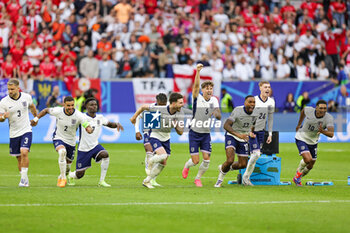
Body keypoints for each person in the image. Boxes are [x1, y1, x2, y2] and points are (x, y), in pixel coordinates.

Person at [31, 96, 93, 188]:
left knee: (68, 167)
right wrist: (36, 119)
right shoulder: (58, 111)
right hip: (59, 137)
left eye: (72, 105)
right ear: (64, 105)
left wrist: (89, 129)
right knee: (62, 152)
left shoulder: (79, 115)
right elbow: (46, 110)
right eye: (68, 105)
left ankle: (63, 175)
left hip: (71, 142)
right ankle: (63, 178)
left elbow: (87, 125)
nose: (71, 107)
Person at [130, 92, 184, 189]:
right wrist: (134, 117)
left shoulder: (180, 113)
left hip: (166, 138)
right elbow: (142, 107)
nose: (182, 104)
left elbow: (181, 132)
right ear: (173, 103)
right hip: (155, 135)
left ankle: (147, 181)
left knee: (163, 162)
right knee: (162, 155)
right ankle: (150, 161)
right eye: (180, 103)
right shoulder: (160, 108)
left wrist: (176, 126)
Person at [68, 98, 124, 187]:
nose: (94, 106)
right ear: (86, 106)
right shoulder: (82, 117)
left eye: (95, 105)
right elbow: (71, 123)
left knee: (105, 154)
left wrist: (116, 124)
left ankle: (102, 181)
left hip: (95, 146)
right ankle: (70, 175)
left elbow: (109, 124)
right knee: (79, 174)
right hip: (84, 149)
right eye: (91, 105)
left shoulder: (100, 118)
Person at [181, 64, 221, 187]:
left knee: (207, 160)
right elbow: (196, 86)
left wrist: (216, 113)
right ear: (202, 90)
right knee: (195, 161)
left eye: (211, 89)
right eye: (207, 88)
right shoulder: (197, 98)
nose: (209, 91)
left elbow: (219, 115)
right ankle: (187, 166)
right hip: (194, 132)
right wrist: (198, 72)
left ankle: (198, 178)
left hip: (206, 133)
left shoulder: (214, 100)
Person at [0, 79, 38, 187]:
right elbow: (1, 118)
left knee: (24, 152)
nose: (10, 91)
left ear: (18, 88)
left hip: (26, 129)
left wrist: (35, 118)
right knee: (19, 158)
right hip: (14, 132)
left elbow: (32, 107)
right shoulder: (4, 102)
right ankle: (25, 178)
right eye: (8, 89)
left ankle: (23, 179)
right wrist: (3, 117)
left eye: (12, 89)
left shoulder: (27, 97)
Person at [214, 95, 257, 187]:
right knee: (230, 160)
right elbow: (226, 125)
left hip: (243, 138)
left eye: (254, 102)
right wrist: (238, 135)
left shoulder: (256, 113)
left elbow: (253, 125)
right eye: (250, 102)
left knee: (243, 164)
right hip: (232, 136)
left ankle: (223, 167)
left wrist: (251, 133)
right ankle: (219, 180)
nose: (252, 104)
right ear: (245, 103)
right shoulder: (238, 110)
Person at [240, 81, 275, 186]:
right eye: (265, 87)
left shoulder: (271, 102)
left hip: (261, 131)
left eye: (269, 87)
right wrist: (249, 131)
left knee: (255, 156)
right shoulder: (253, 100)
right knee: (256, 154)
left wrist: (270, 134)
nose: (267, 89)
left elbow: (270, 118)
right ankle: (245, 177)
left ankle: (244, 177)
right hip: (252, 131)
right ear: (260, 88)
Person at [293, 100, 334, 186]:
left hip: (313, 141)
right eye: (321, 108)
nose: (323, 110)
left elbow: (331, 134)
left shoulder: (328, 118)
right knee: (308, 159)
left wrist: (323, 131)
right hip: (301, 137)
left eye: (325, 108)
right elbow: (303, 111)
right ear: (316, 108)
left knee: (311, 165)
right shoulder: (309, 110)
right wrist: (299, 124)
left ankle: (298, 178)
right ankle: (298, 174)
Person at [134, 93, 168, 187]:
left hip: (161, 134)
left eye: (164, 105)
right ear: (157, 102)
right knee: (150, 151)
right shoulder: (151, 108)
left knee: (162, 158)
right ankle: (148, 176)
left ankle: (152, 179)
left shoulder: (168, 107)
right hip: (148, 132)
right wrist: (137, 131)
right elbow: (137, 117)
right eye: (161, 105)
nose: (162, 107)